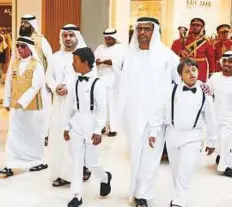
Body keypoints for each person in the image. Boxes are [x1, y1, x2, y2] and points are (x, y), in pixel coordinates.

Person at [118, 17, 180, 207]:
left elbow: (179, 82)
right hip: (133, 115)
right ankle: (135, 189)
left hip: (157, 116)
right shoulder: (128, 56)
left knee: (151, 156)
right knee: (136, 154)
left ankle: (143, 194)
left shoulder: (167, 56)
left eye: (147, 29)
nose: (142, 33)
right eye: (139, 29)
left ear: (155, 32)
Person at [149, 58, 217, 207]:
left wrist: (212, 141)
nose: (192, 74)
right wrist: (153, 132)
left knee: (185, 172)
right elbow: (160, 113)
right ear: (180, 75)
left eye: (194, 70)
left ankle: (178, 202)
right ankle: (180, 198)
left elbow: (211, 118)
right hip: (172, 135)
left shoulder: (205, 94)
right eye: (187, 71)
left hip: (193, 137)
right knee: (176, 173)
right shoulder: (171, 91)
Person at [64, 47, 112, 207]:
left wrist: (98, 130)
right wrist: (66, 126)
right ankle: (77, 195)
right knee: (77, 161)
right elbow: (70, 105)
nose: (73, 64)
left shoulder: (98, 83)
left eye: (75, 61)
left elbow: (101, 109)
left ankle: (105, 177)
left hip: (91, 126)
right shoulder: (75, 80)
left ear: (85, 63)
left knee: (91, 163)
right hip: (77, 124)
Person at [46, 24, 91, 187]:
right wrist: (55, 86)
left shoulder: (85, 55)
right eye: (65, 35)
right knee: (59, 138)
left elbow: (89, 78)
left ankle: (79, 170)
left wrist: (69, 88)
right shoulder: (55, 57)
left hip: (78, 105)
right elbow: (48, 76)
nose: (68, 39)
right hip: (58, 105)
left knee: (76, 138)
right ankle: (62, 172)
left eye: (71, 35)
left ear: (77, 37)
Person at [0, 36, 47, 177]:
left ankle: (37, 161)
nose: (19, 49)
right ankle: (11, 163)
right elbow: (8, 83)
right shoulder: (13, 64)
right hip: (16, 108)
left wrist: (23, 101)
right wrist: (7, 102)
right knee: (14, 135)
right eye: (18, 46)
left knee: (33, 135)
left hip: (32, 109)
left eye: (23, 46)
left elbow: (35, 86)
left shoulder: (36, 65)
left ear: (30, 48)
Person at [19, 14, 53, 146]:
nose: (22, 25)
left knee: (43, 108)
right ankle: (28, 134)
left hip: (41, 80)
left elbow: (50, 59)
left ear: (32, 25)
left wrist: (49, 80)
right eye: (22, 23)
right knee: (26, 109)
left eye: (26, 23)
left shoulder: (40, 40)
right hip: (24, 81)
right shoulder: (19, 40)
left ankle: (44, 135)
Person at [95, 28, 125, 137]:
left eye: (109, 38)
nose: (107, 41)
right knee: (101, 103)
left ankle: (113, 128)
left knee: (112, 104)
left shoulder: (121, 48)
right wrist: (98, 62)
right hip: (101, 79)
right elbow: (94, 59)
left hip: (113, 80)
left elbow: (121, 63)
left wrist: (108, 62)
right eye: (106, 38)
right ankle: (102, 126)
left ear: (114, 38)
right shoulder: (100, 48)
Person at [209, 51, 232, 177]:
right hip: (217, 115)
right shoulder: (214, 78)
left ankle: (227, 166)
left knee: (227, 140)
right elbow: (207, 95)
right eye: (225, 61)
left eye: (231, 62)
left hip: (230, 118)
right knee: (220, 141)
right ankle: (222, 158)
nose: (227, 64)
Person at [177, 18, 215, 82]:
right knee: (187, 83)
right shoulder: (185, 39)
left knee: (200, 86)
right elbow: (178, 51)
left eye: (198, 26)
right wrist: (181, 53)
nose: (195, 27)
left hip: (201, 67)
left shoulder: (207, 41)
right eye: (193, 25)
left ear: (202, 27)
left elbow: (211, 57)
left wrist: (211, 71)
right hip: (188, 66)